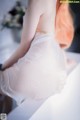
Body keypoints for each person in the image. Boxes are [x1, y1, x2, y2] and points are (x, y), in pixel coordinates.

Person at [0, 0, 73, 104]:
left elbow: (24, 47)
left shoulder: (36, 1)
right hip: (51, 73)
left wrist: (3, 67)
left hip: (32, 73)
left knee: (4, 80)